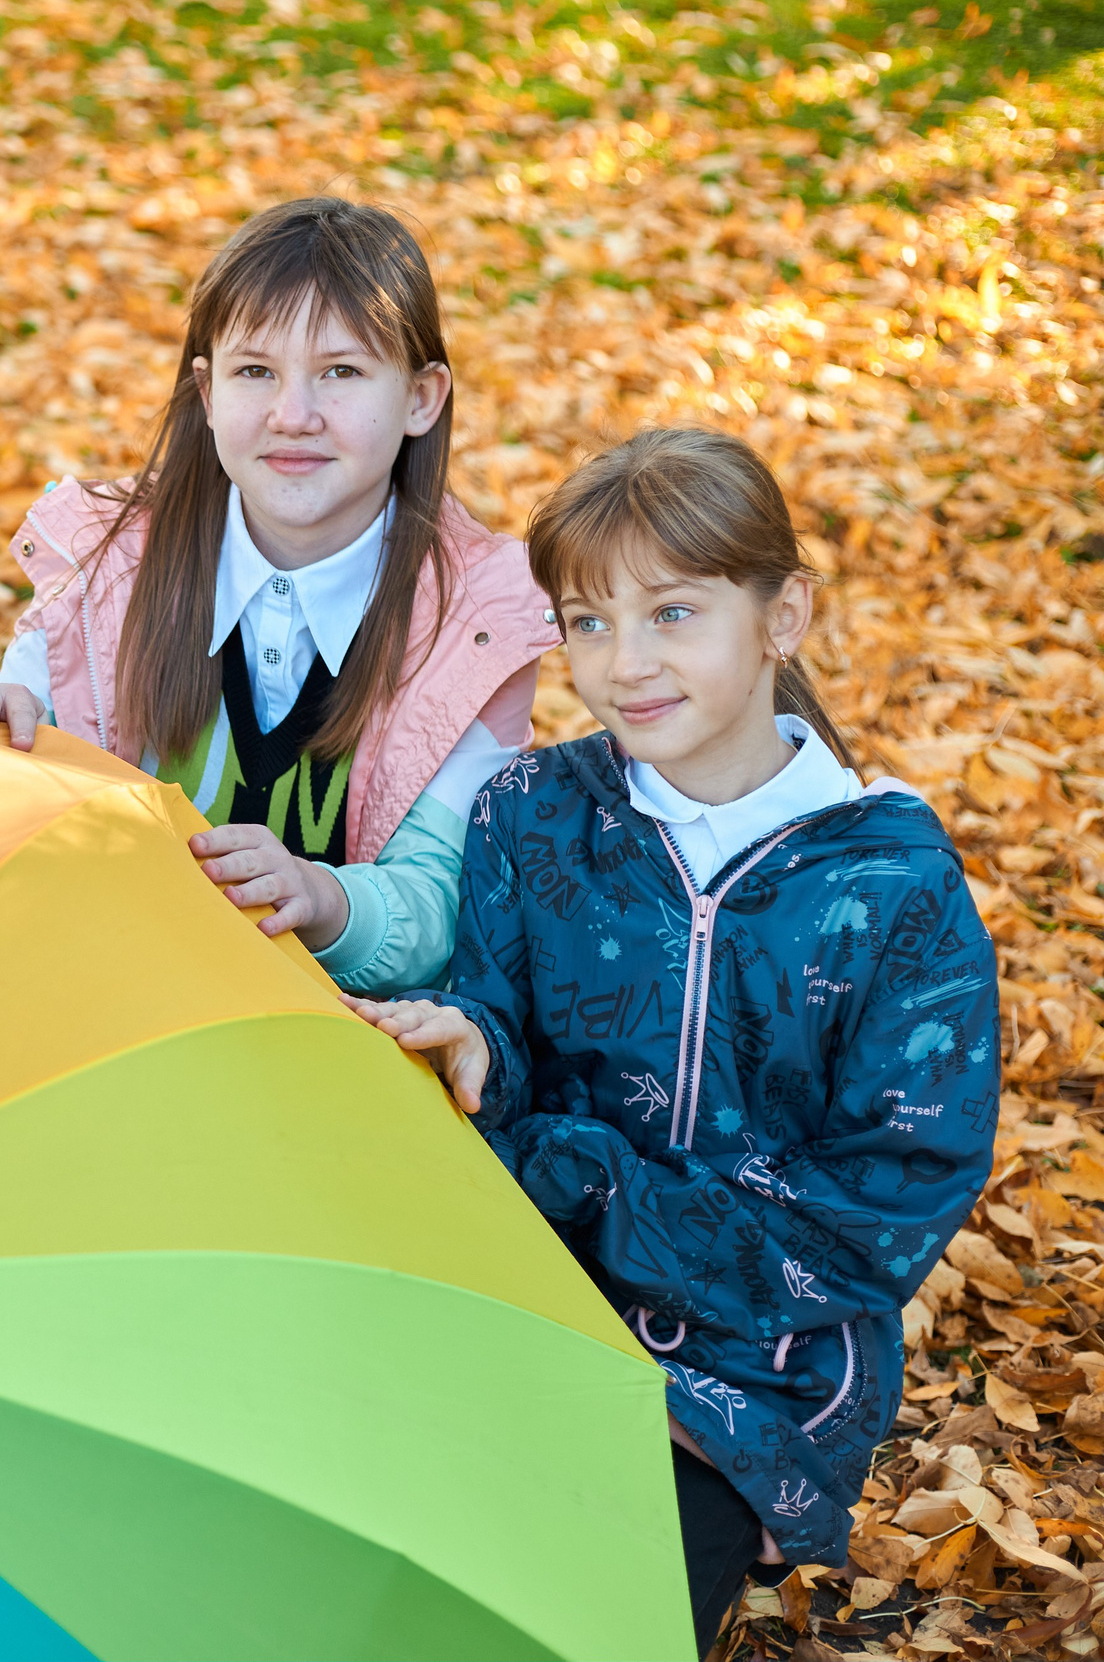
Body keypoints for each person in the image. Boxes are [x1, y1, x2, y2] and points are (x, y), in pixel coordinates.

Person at [345, 428, 997, 1656]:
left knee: (592, 1614)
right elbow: (500, 1028)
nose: (624, 663)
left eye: (672, 614)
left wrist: (588, 1182)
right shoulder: (532, 814)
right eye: (586, 623)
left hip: (766, 1375)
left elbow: (881, 1209)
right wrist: (474, 1048)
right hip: (534, 1307)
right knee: (384, 1567)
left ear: (782, 615)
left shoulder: (891, 888)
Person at [0, 197, 555, 995]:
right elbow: (28, 804)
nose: (294, 416)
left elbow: (435, 904)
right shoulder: (103, 564)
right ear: (208, 391)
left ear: (422, 397)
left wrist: (323, 900)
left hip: (330, 1030)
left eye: (341, 372)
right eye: (255, 371)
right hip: (110, 993)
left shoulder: (475, 622)